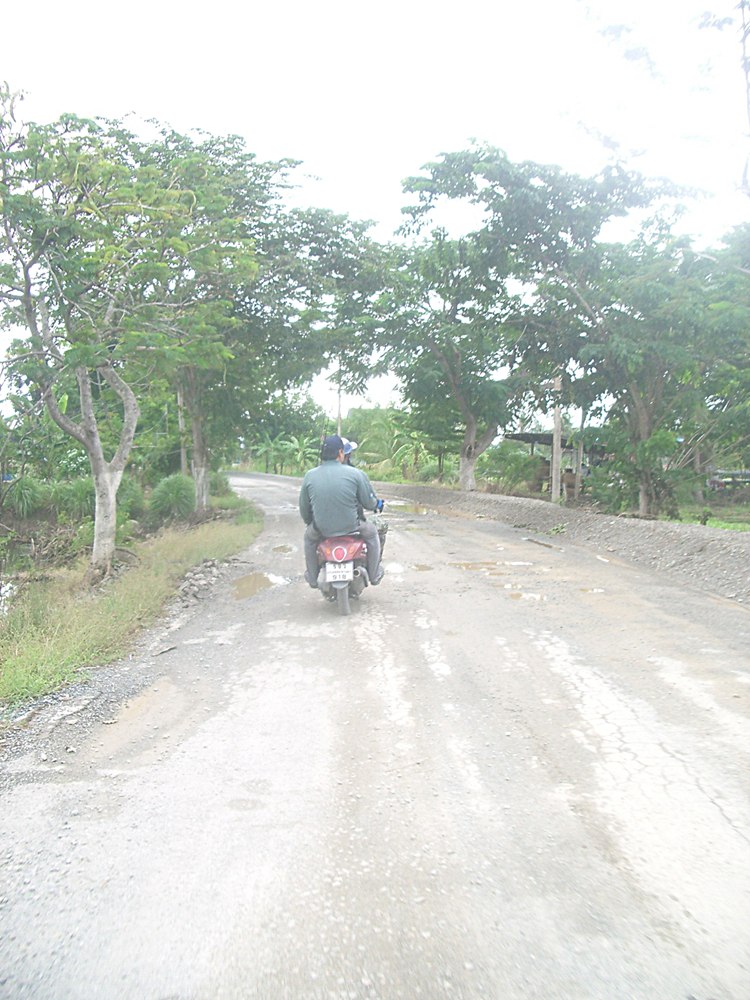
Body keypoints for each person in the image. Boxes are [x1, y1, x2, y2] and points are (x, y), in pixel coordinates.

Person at [299, 434, 384, 588]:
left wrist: (310, 524)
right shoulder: (356, 474)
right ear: (340, 453)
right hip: (352, 527)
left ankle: (312, 577)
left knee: (309, 539)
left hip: (321, 529)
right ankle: (374, 574)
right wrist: (376, 505)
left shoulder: (309, 476)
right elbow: (369, 503)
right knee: (372, 534)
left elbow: (304, 509)